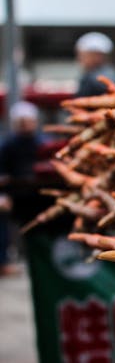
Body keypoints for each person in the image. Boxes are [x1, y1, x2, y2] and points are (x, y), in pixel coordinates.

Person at [0, 102, 44, 275]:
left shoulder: (43, 143)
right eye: (21, 122)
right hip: (13, 196)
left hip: (39, 195)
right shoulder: (7, 146)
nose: (25, 125)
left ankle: (43, 254)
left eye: (28, 121)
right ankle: (2, 261)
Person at [75, 31, 115, 97]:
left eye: (83, 55)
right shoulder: (112, 72)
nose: (79, 58)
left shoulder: (94, 79)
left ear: (96, 56)